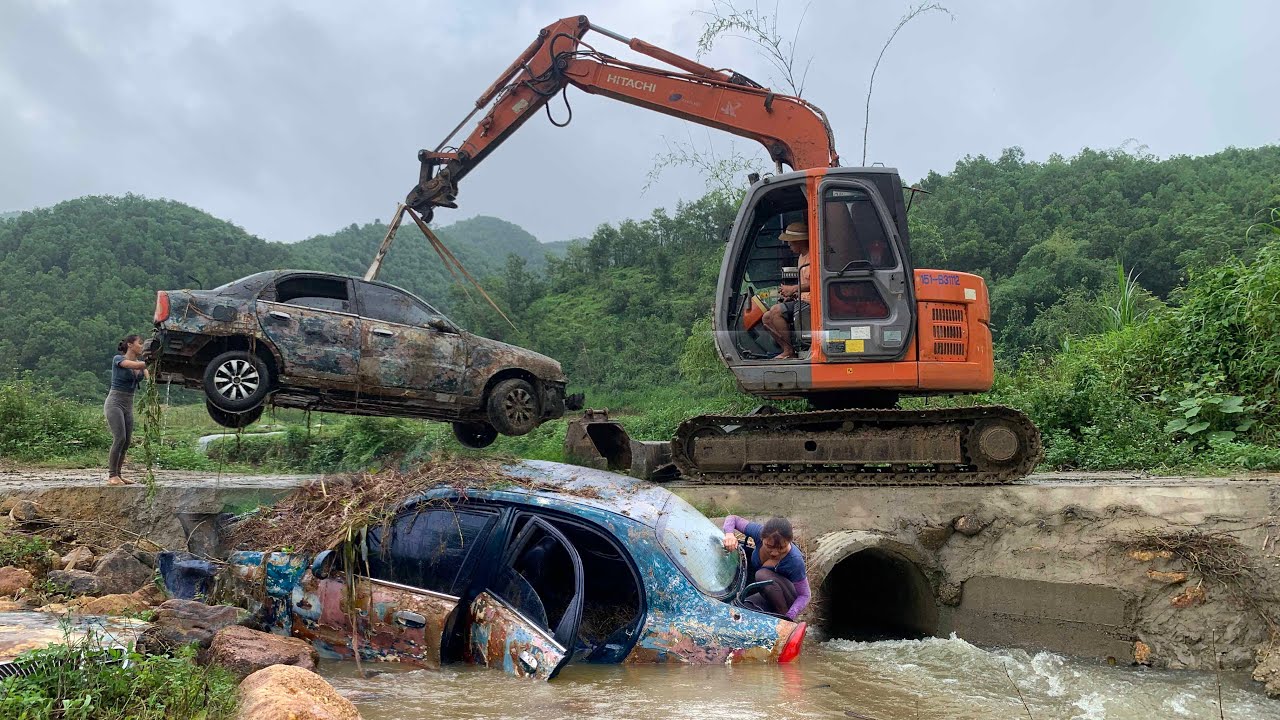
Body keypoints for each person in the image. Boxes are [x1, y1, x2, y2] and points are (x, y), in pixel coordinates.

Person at [722, 515, 810, 620]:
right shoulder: (758, 532)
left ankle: (781, 616)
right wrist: (729, 535)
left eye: (782, 548)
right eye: (769, 546)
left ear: (789, 541)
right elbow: (733, 519)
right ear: (762, 538)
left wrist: (790, 615)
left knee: (762, 575)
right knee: (739, 609)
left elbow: (805, 595)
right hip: (764, 592)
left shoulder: (794, 560)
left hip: (786, 597)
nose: (774, 553)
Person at [761, 221, 811, 359]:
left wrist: (793, 288)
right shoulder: (801, 257)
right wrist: (792, 294)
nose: (789, 245)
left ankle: (789, 352)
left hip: (811, 303)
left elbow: (817, 283)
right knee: (766, 318)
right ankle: (786, 348)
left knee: (776, 311)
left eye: (791, 242)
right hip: (801, 300)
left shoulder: (814, 256)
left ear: (800, 241)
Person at [105, 334, 148, 486]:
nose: (142, 347)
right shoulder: (119, 359)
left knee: (127, 440)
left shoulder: (141, 364)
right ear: (130, 345)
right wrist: (149, 361)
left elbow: (151, 377)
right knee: (120, 437)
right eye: (140, 343)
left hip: (129, 404)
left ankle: (119, 474)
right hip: (115, 402)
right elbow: (135, 366)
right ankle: (112, 475)